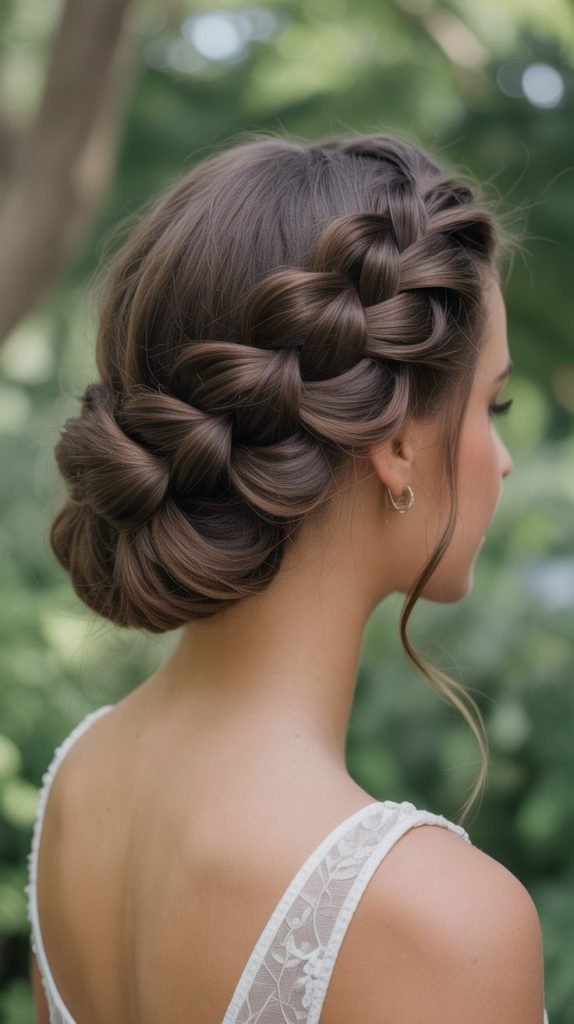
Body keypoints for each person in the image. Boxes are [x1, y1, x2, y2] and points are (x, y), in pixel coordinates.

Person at [26, 132, 549, 1023]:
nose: (500, 460)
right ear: (394, 443)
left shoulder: (77, 787)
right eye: (490, 405)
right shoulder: (442, 923)